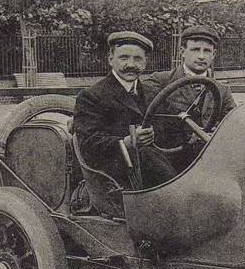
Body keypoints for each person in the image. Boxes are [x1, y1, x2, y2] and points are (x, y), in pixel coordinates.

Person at [73, 31, 177, 189]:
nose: (131, 64)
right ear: (110, 59)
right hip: (115, 176)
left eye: (137, 59)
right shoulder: (91, 96)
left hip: (155, 170)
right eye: (124, 58)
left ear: (145, 62)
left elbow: (173, 125)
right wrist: (127, 142)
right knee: (146, 155)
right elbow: (88, 144)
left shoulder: (153, 93)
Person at [151, 25, 236, 172]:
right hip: (169, 163)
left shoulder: (222, 91)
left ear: (214, 54)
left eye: (207, 51)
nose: (202, 56)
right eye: (196, 50)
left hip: (208, 160)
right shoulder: (160, 81)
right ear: (182, 52)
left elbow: (233, 125)